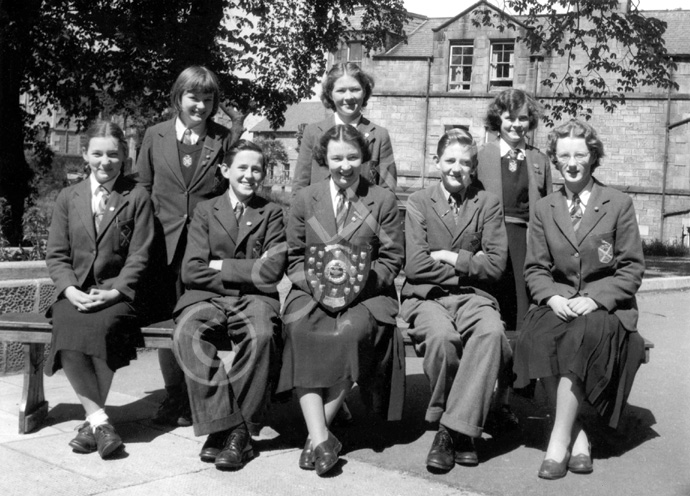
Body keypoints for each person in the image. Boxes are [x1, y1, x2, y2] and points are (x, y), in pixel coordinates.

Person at [512, 119, 646, 480]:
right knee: (535, 337)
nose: (571, 162)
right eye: (564, 155)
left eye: (580, 154)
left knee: (581, 337)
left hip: (605, 307)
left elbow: (631, 268)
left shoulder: (618, 203)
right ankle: (579, 434)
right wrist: (553, 298)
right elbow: (535, 269)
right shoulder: (545, 209)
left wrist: (597, 299)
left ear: (593, 157)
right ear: (555, 159)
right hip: (559, 302)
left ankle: (558, 440)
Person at [278, 124, 404, 476]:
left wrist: (353, 286)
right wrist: (320, 289)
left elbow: (393, 260)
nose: (345, 165)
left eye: (352, 157)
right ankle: (322, 440)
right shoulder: (306, 199)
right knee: (299, 329)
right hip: (312, 292)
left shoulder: (382, 200)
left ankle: (314, 438)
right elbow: (293, 258)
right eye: (337, 157)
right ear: (325, 159)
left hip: (368, 294)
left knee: (351, 332)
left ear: (363, 158)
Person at [400, 128, 512, 472]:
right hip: (426, 298)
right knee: (442, 339)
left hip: (474, 298)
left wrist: (449, 256)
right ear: (436, 162)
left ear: (473, 167)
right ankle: (462, 431)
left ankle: (449, 430)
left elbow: (495, 266)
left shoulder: (487, 204)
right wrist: (469, 262)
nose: (456, 168)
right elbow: (416, 265)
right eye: (450, 160)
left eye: (465, 162)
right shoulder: (419, 203)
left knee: (491, 334)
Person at [171, 140, 286, 471]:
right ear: (225, 170)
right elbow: (192, 269)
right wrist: (247, 270)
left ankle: (239, 429)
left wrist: (219, 264)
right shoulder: (206, 210)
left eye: (256, 169)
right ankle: (228, 425)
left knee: (263, 335)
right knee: (187, 335)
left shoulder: (273, 213)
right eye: (242, 168)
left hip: (255, 301)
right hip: (205, 297)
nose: (249, 175)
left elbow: (271, 272)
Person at [45, 120, 154, 458]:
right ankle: (100, 422)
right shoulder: (69, 196)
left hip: (116, 295)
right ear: (85, 154)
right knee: (67, 323)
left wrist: (116, 291)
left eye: (112, 154)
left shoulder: (136, 197)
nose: (104, 162)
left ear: (124, 156)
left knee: (105, 327)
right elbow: (56, 254)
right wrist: (68, 289)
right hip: (76, 290)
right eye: (97, 154)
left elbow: (140, 254)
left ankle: (92, 423)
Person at [134, 66, 233, 427]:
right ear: (179, 97)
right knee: (164, 322)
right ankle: (172, 394)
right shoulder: (154, 135)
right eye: (194, 97)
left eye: (208, 99)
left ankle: (197, 396)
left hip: (203, 249)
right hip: (161, 245)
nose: (201, 105)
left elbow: (228, 191)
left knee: (193, 322)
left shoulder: (223, 138)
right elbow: (142, 189)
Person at [476, 89, 552, 431]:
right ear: (498, 120)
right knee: (490, 316)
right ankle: (475, 397)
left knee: (520, 321)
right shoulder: (482, 155)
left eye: (523, 118)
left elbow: (549, 210)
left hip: (527, 244)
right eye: (510, 117)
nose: (517, 124)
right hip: (491, 242)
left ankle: (504, 399)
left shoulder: (539, 159)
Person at [292, 62, 397, 198]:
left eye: (355, 89)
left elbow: (388, 190)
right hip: (319, 217)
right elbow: (299, 189)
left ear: (364, 91)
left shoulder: (379, 135)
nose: (349, 97)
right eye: (341, 91)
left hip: (364, 216)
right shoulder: (313, 133)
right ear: (330, 94)